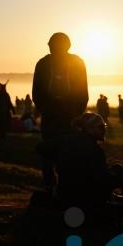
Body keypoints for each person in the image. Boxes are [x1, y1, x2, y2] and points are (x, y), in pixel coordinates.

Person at [32, 32, 88, 190]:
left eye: (52, 44)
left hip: (66, 114)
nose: (50, 47)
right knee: (53, 150)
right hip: (57, 114)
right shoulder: (44, 63)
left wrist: (76, 113)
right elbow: (37, 91)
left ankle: (60, 186)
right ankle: (55, 185)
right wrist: (44, 108)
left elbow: (82, 90)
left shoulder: (73, 62)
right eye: (50, 44)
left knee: (63, 150)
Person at [54, 113, 118, 211]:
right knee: (118, 169)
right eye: (101, 127)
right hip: (86, 200)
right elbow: (101, 178)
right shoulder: (94, 150)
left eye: (104, 126)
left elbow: (41, 147)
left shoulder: (68, 140)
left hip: (64, 193)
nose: (104, 130)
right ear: (89, 128)